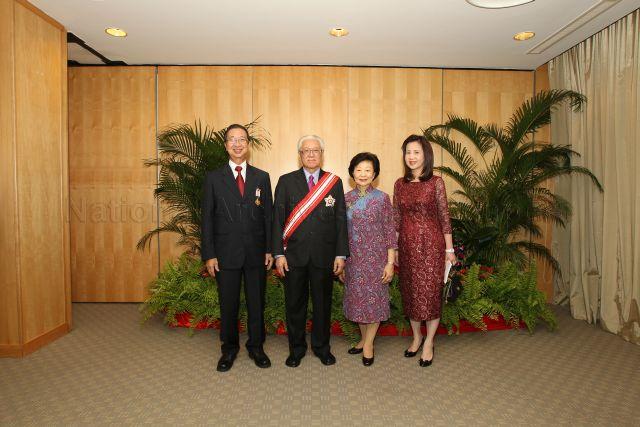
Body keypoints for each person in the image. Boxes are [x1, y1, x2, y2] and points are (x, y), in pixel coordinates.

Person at [201, 124, 274, 372]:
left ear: (248, 145)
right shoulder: (213, 178)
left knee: (256, 303)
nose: (237, 144)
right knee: (228, 304)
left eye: (242, 139)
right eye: (232, 140)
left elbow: (268, 218)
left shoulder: (261, 177)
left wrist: (269, 249)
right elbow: (207, 219)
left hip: (255, 253)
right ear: (225, 145)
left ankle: (256, 348)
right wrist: (209, 254)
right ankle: (229, 350)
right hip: (225, 254)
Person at [272, 135, 349, 368]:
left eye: (316, 150)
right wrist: (278, 254)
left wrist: (340, 254)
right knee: (294, 304)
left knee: (322, 305)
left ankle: (322, 348)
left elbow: (340, 222)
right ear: (300, 155)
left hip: (324, 256)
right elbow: (277, 221)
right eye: (306, 151)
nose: (311, 154)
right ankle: (296, 349)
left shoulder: (333, 182)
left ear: (322, 154)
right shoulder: (286, 181)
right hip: (293, 256)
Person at [393, 134, 455, 367]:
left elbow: (444, 217)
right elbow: (396, 218)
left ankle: (429, 341)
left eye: (416, 152)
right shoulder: (400, 184)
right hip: (407, 247)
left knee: (429, 294)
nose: (411, 157)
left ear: (425, 155)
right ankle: (416, 336)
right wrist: (394, 248)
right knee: (410, 292)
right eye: (408, 152)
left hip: (432, 246)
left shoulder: (436, 182)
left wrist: (449, 249)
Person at [340, 152, 397, 367]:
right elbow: (341, 233)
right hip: (353, 259)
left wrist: (390, 263)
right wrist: (342, 261)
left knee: (374, 302)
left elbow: (390, 232)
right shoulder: (345, 198)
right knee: (357, 302)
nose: (363, 174)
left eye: (368, 170)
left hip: (377, 259)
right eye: (359, 170)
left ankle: (369, 344)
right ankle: (364, 338)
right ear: (352, 173)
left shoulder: (382, 199)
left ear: (375, 174)